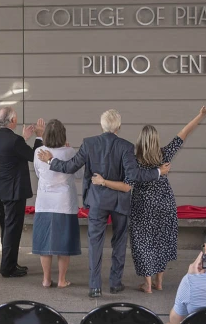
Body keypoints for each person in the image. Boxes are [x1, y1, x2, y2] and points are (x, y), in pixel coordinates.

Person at [37, 109, 170, 298]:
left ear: (102, 125)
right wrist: (158, 172)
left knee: (95, 243)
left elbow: (70, 167)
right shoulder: (126, 146)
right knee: (119, 242)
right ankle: (115, 284)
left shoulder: (89, 143)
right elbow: (135, 176)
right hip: (119, 201)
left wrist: (51, 161)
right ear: (119, 127)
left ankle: (95, 287)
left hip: (97, 200)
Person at [91, 104, 206, 294]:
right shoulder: (165, 154)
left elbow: (126, 183)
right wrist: (200, 115)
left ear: (140, 141)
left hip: (142, 205)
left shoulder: (133, 160)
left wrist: (102, 181)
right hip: (165, 203)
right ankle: (159, 282)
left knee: (143, 242)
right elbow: (184, 133)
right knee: (161, 241)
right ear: (156, 140)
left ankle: (147, 283)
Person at [0, 107, 45, 278]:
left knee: (6, 229)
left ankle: (10, 262)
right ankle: (8, 268)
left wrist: (22, 138)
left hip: (0, 190)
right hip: (14, 192)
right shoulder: (15, 141)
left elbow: (13, 152)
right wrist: (39, 136)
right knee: (13, 230)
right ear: (12, 120)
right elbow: (34, 156)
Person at [32, 119, 83, 289]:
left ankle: (46, 279)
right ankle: (62, 279)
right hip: (65, 203)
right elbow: (79, 174)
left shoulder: (39, 151)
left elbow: (39, 174)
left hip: (44, 202)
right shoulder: (69, 152)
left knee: (45, 243)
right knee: (64, 243)